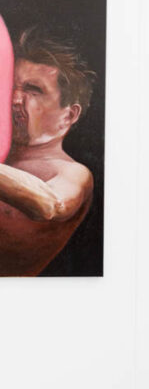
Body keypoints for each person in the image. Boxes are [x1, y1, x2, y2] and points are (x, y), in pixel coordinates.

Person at [0, 25, 97, 276]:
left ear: (69, 114)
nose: (14, 99)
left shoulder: (73, 173)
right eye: (12, 86)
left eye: (33, 90)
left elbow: (49, 203)